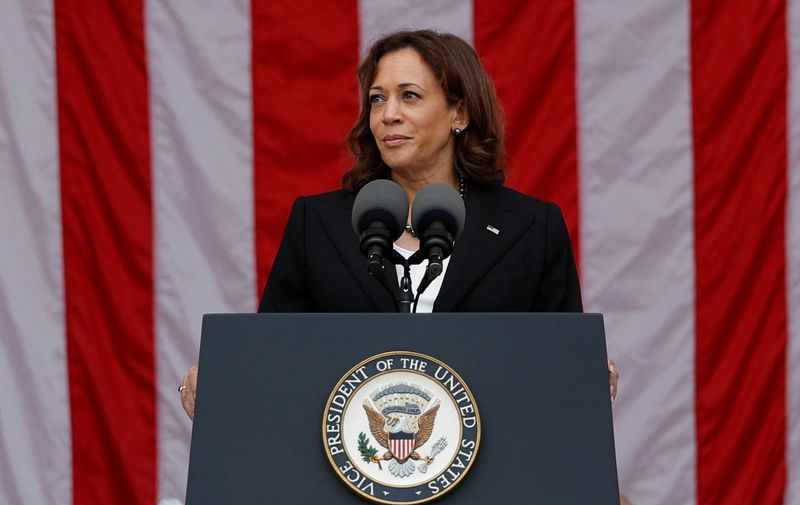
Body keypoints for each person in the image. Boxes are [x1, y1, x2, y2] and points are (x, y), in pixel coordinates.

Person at [179, 30, 619, 419]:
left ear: (459, 114)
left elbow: (557, 358)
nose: (388, 114)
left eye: (409, 95)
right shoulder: (318, 223)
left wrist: (582, 370)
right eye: (377, 98)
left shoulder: (530, 227)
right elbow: (275, 354)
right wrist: (223, 379)